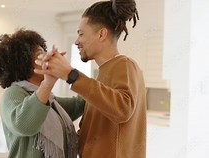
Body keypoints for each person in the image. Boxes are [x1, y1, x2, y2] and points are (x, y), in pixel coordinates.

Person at [34, 0, 146, 157]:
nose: (76, 41)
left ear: (101, 34)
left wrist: (71, 75)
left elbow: (123, 109)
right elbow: (93, 132)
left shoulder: (125, 65)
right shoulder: (102, 74)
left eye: (81, 34)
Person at [0, 29, 85, 158]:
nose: (47, 57)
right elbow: (24, 125)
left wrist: (70, 72)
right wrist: (47, 84)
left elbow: (79, 104)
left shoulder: (49, 99)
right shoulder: (12, 94)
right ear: (24, 63)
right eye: (40, 54)